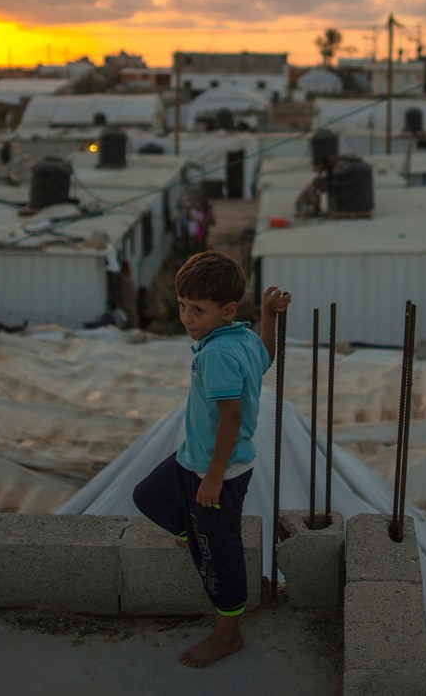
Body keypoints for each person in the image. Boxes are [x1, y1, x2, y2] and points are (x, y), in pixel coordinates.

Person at [131, 250, 290, 668]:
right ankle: (196, 536)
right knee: (148, 496)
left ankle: (227, 635)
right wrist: (269, 317)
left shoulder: (217, 353)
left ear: (228, 310)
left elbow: (231, 416)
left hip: (216, 468)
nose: (186, 317)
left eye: (197, 310)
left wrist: (214, 479)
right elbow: (266, 359)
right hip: (193, 459)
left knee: (221, 555)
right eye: (183, 306)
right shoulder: (238, 337)